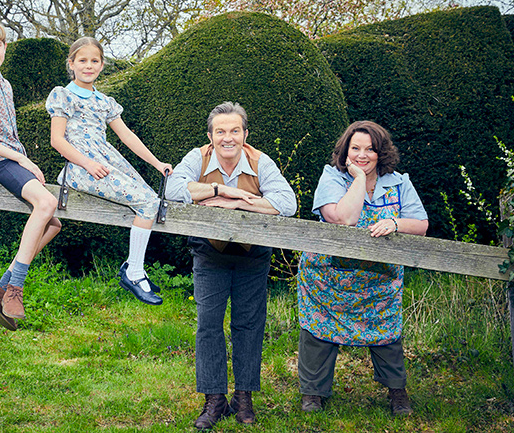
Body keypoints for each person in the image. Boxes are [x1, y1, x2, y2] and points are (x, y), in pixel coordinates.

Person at [165, 101, 296, 429]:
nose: (228, 137)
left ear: (245, 134)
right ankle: (213, 399)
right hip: (209, 254)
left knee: (248, 325)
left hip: (253, 256)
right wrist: (220, 190)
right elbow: (171, 188)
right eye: (220, 131)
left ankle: (244, 398)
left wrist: (232, 203)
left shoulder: (259, 161)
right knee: (208, 324)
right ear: (210, 136)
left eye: (234, 131)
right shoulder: (198, 157)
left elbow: (287, 203)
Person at [297, 120, 428, 416]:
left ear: (381, 153)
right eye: (355, 148)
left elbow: (421, 224)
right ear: (345, 151)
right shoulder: (332, 177)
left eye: (370, 149)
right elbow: (343, 218)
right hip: (327, 280)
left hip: (379, 281)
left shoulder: (399, 182)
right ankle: (313, 394)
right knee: (318, 333)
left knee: (387, 335)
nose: (362, 155)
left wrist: (396, 223)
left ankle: (397, 393)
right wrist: (357, 179)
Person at [47, 37, 172, 305]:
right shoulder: (63, 94)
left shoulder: (104, 100)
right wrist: (87, 163)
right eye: (82, 60)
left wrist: (157, 163)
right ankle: (135, 273)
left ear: (102, 65)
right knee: (149, 202)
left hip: (104, 161)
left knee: (149, 198)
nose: (88, 66)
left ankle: (133, 266)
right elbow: (57, 140)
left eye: (94, 61)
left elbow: (127, 136)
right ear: (71, 64)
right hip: (81, 167)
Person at [0, 20, 62, 330]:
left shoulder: (5, 84)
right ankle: (16, 289)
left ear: (5, 46)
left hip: (11, 160)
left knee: (53, 224)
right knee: (45, 205)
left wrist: (22, 160)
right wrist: (21, 159)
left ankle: (0, 288)